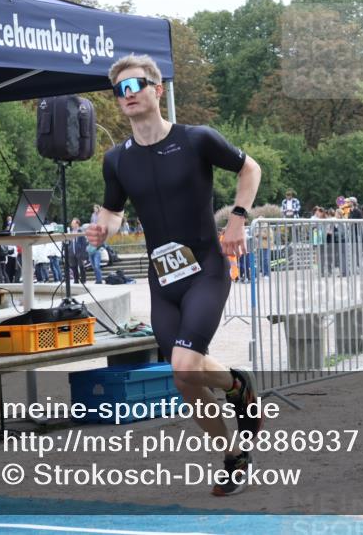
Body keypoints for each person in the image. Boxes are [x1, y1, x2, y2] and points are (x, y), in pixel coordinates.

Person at [86, 54, 264, 496]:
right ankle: (232, 452)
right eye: (119, 90)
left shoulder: (196, 140)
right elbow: (112, 211)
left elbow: (250, 168)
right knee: (184, 377)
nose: (127, 96)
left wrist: (238, 219)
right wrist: (101, 230)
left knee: (186, 361)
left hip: (205, 267)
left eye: (136, 86)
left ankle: (236, 385)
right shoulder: (117, 159)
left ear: (157, 89)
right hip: (162, 280)